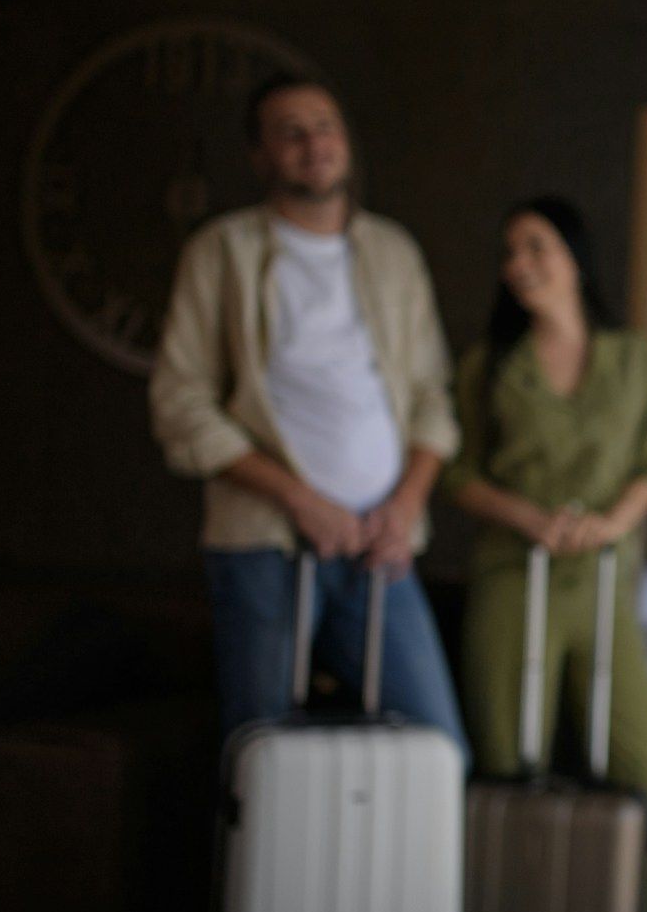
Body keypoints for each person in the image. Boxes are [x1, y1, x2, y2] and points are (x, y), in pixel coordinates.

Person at [149, 73, 466, 759]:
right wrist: (301, 500)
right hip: (265, 543)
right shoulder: (221, 253)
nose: (313, 143)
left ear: (346, 143)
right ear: (260, 156)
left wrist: (406, 506)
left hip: (384, 544)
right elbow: (180, 405)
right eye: (290, 131)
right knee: (259, 755)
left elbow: (432, 398)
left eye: (325, 126)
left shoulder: (394, 251)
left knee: (438, 749)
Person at [441, 196, 647, 912]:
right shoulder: (489, 365)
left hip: (605, 582)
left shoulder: (633, 359)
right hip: (517, 576)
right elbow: (459, 473)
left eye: (535, 246)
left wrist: (608, 524)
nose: (518, 264)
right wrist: (536, 520)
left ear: (574, 257)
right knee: (510, 769)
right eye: (508, 251)